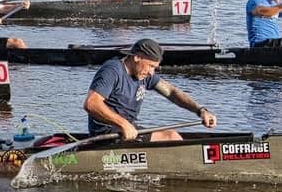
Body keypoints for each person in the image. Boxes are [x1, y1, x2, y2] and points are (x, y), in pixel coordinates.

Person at [84, 38, 217, 141]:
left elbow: (172, 93)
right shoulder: (112, 71)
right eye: (151, 66)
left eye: (155, 68)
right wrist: (123, 124)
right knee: (170, 137)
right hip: (107, 133)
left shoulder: (142, 74)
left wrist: (200, 111)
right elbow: (91, 103)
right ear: (137, 57)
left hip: (127, 130)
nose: (151, 73)